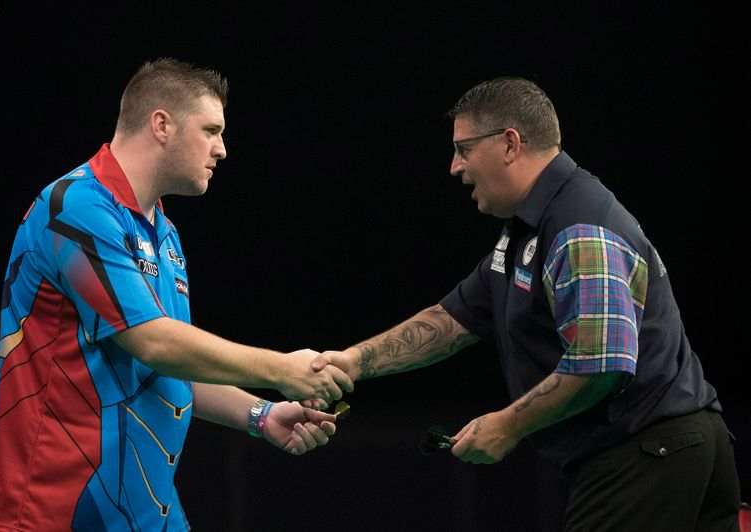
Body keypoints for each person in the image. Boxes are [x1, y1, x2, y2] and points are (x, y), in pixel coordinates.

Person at [314, 77, 741, 531]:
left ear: (510, 144)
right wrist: (353, 362)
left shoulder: (580, 226)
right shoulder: (527, 229)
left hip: (650, 453)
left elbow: (603, 363)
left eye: (464, 148)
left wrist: (507, 426)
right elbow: (451, 320)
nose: (455, 167)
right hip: (665, 451)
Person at [0, 58, 354, 532]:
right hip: (52, 510)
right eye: (211, 130)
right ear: (161, 125)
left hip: (144, 512)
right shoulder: (77, 207)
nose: (222, 149)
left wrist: (262, 414)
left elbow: (171, 366)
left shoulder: (163, 233)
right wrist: (282, 369)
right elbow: (153, 342)